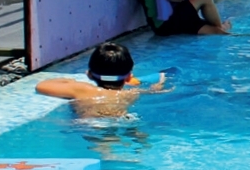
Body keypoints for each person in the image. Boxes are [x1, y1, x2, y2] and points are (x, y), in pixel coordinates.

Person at [35, 41, 167, 118]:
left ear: (89, 75)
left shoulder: (82, 89)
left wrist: (69, 81)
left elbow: (41, 86)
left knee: (103, 144)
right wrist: (158, 85)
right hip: (122, 118)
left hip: (91, 122)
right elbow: (150, 91)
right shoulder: (131, 94)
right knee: (133, 133)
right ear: (128, 77)